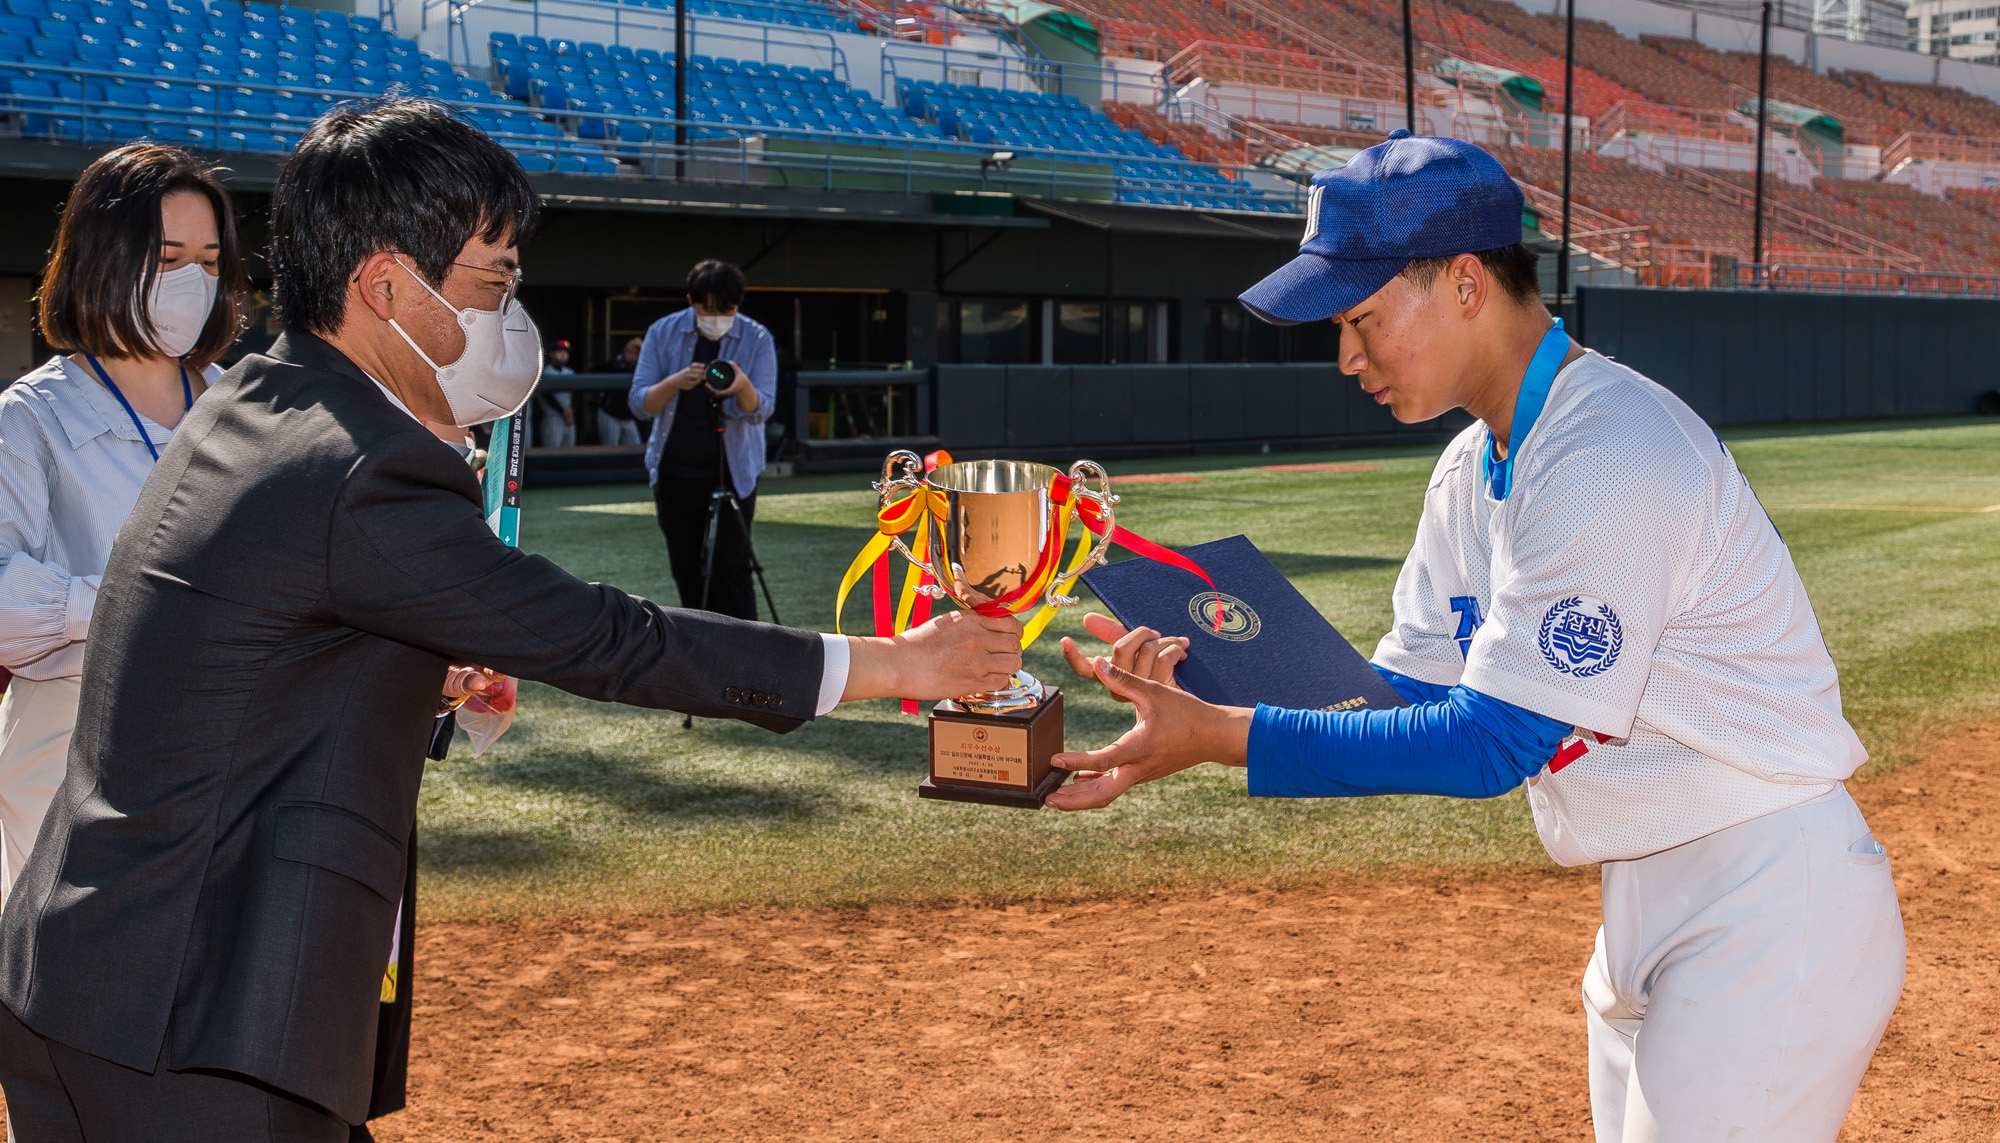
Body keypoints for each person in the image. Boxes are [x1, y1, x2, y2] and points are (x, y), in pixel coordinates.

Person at [0, 97, 1021, 1142]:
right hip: (191, 1020)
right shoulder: (360, 467)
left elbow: (264, 654)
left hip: (93, 977)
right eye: (493, 281)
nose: (507, 311)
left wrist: (419, 676)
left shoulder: (253, 396)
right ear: (384, 284)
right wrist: (897, 663)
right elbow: (608, 639)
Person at [1046, 130, 1905, 1143]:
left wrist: (1227, 736)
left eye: (1361, 318)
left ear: (1463, 283)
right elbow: (1392, 698)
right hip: (1646, 893)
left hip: (1765, 897)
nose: (1344, 356)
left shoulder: (1608, 446)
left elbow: (1492, 742)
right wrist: (1210, 683)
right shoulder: (1473, 464)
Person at [0, 143, 246, 903]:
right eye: (168, 256)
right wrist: (131, 600)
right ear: (103, 258)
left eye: (209, 261)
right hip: (72, 759)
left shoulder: (248, 403)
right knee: (70, 1006)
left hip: (231, 756)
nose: (192, 281)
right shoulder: (28, 419)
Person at [628, 260, 776, 619]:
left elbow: (762, 409)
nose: (716, 318)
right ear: (690, 300)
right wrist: (674, 382)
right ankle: (702, 645)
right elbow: (639, 403)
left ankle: (747, 647)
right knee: (685, 565)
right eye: (707, 309)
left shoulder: (756, 337)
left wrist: (742, 387)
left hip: (733, 471)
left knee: (732, 564)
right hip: (675, 470)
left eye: (726, 310)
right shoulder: (663, 332)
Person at [597, 335, 644, 446]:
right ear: (623, 351)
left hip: (628, 417)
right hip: (610, 415)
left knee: (635, 449)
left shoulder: (643, 365)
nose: (632, 355)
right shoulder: (616, 362)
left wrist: (644, 348)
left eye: (635, 353)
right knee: (610, 452)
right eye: (629, 352)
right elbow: (615, 367)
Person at [532, 338, 575, 448]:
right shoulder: (546, 372)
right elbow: (547, 396)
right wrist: (562, 411)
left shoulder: (570, 372)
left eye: (565, 352)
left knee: (570, 453)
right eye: (560, 352)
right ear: (551, 354)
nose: (563, 355)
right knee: (552, 451)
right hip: (553, 418)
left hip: (569, 418)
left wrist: (570, 411)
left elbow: (575, 395)